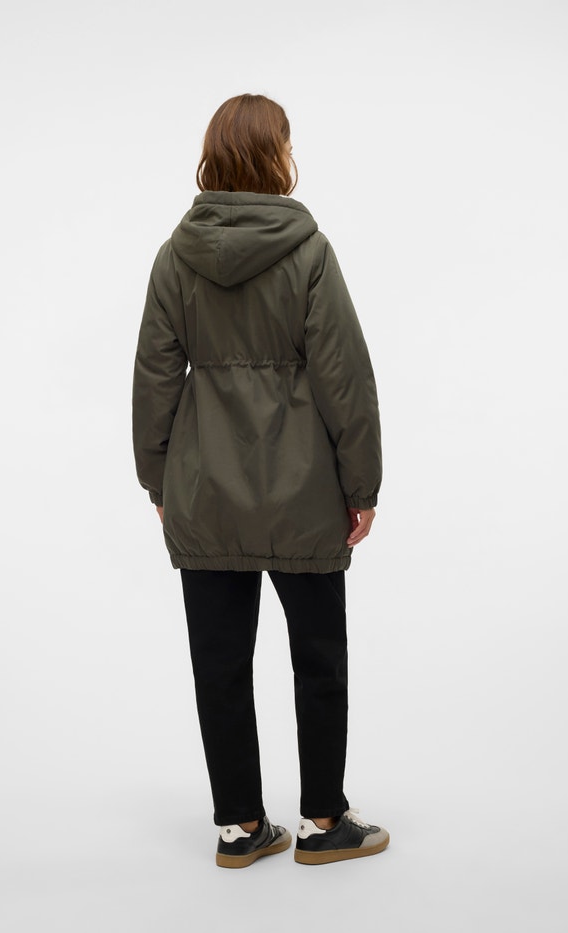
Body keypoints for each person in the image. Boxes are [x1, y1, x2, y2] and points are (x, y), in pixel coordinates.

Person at [132, 93, 389, 868]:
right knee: (319, 656)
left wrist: (159, 481)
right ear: (277, 156)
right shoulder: (309, 252)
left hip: (205, 488)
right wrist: (362, 485)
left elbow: (154, 377)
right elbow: (345, 376)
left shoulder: (176, 256)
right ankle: (322, 821)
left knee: (219, 662)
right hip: (303, 491)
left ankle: (240, 826)